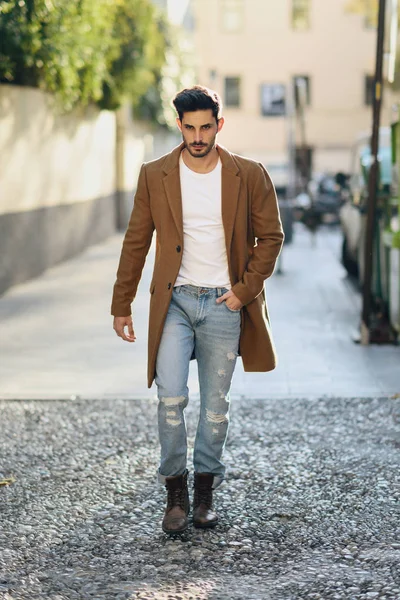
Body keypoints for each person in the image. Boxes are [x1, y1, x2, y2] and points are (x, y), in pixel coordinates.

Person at [111, 85, 284, 535]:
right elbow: (136, 240)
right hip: (175, 300)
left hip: (224, 302)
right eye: (190, 127)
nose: (198, 136)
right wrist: (122, 302)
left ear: (219, 125)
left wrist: (243, 292)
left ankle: (205, 488)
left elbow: (272, 238)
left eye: (206, 127)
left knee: (214, 406)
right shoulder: (156, 174)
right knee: (170, 397)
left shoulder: (249, 173)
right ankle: (175, 491)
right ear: (179, 126)